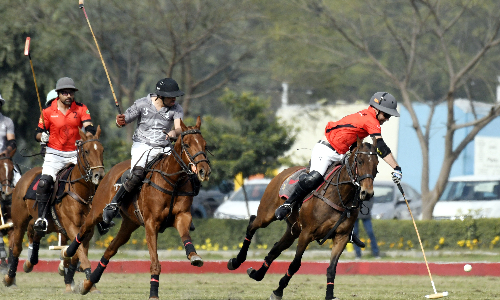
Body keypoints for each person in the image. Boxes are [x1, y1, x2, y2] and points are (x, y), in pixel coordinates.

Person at [274, 92, 403, 247]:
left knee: (353, 184)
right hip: (326, 150)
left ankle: (347, 230)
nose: (387, 119)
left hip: (340, 154)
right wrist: (396, 167)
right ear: (377, 109)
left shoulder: (366, 117)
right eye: (387, 115)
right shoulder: (371, 120)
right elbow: (381, 147)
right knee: (314, 178)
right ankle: (287, 204)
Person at [99, 78, 185, 230]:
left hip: (164, 146)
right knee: (137, 174)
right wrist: (120, 121)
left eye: (175, 96)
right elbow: (124, 121)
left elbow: (179, 128)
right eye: (171, 96)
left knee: (182, 171)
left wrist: (174, 132)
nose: (174, 99)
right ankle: (113, 205)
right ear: (160, 96)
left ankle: (184, 211)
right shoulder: (141, 104)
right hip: (142, 145)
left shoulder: (176, 108)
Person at [33, 77, 96, 233]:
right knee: (44, 183)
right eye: (65, 93)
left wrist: (88, 136)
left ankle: (99, 217)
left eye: (71, 93)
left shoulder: (81, 108)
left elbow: (89, 126)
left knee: (94, 179)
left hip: (76, 153)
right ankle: (42, 218)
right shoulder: (47, 112)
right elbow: (37, 133)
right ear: (58, 94)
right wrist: (43, 137)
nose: (69, 96)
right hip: (54, 155)